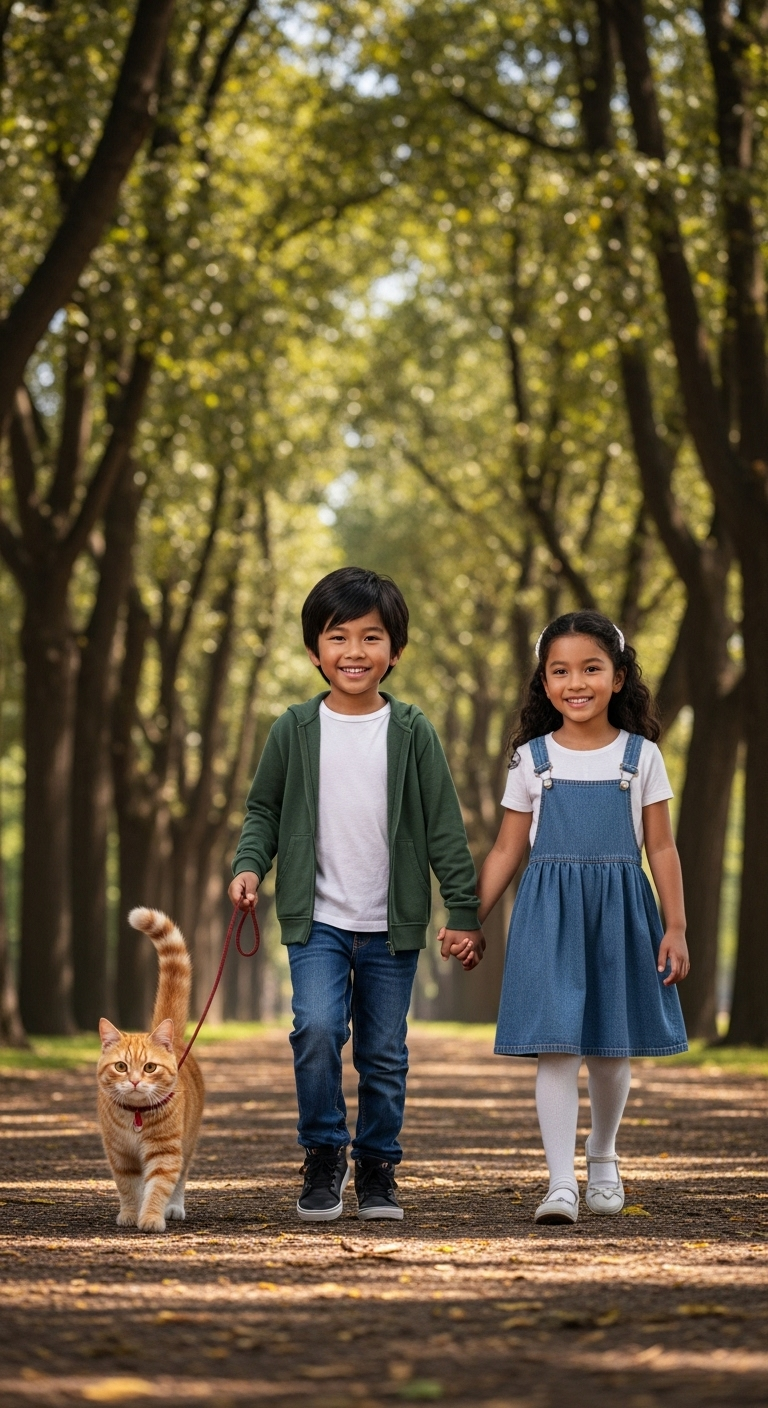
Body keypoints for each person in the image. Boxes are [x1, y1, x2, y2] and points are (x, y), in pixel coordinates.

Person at [228, 566, 483, 1223]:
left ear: (395, 651)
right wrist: (249, 865)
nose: (354, 652)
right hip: (315, 920)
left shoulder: (412, 731)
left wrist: (462, 911)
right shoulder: (294, 728)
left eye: (371, 638)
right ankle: (322, 1155)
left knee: (383, 1052)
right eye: (338, 637)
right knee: (314, 1029)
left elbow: (444, 830)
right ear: (315, 651)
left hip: (390, 926)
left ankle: (377, 1167)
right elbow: (262, 810)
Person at [475, 610, 688, 1225]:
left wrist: (675, 927)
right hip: (549, 916)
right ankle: (559, 1182)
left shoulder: (641, 756)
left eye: (591, 669)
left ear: (618, 678)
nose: (576, 682)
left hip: (621, 912)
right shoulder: (530, 759)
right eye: (560, 671)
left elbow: (663, 849)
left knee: (611, 1047)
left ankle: (602, 1158)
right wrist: (470, 918)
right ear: (544, 684)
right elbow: (507, 849)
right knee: (556, 1050)